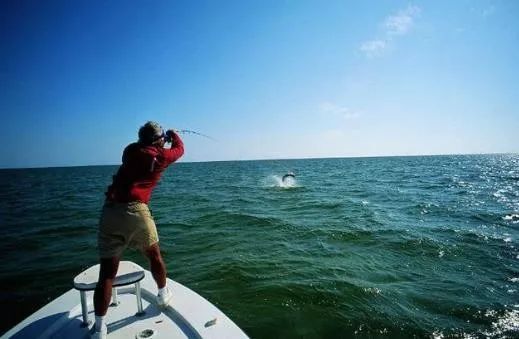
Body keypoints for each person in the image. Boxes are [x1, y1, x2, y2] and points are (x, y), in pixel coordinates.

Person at [92, 121, 184, 339]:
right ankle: (162, 294)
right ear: (157, 140)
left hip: (110, 211)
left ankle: (99, 329)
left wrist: (160, 139)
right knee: (154, 256)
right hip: (136, 211)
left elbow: (143, 150)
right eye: (161, 138)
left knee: (106, 273)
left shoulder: (129, 150)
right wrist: (173, 136)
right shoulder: (161, 157)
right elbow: (180, 150)